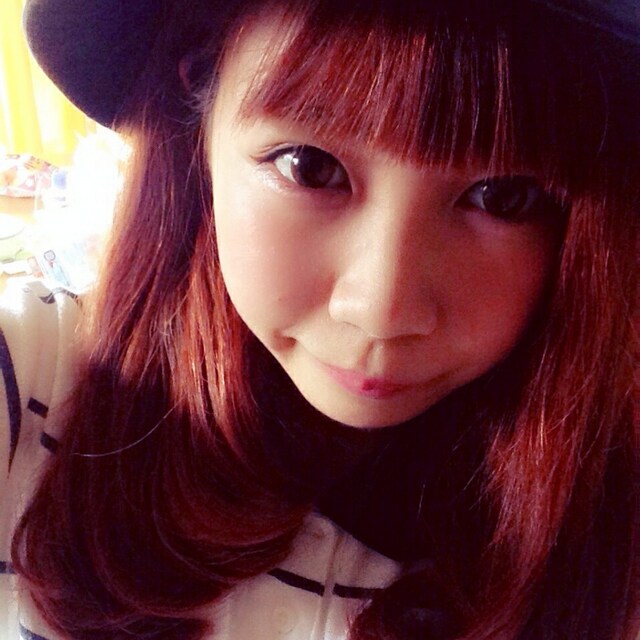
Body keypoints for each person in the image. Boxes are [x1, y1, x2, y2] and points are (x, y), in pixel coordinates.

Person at [0, 0, 637, 638]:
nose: (382, 312)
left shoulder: (612, 524)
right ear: (199, 123)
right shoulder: (35, 382)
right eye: (310, 166)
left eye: (502, 197)